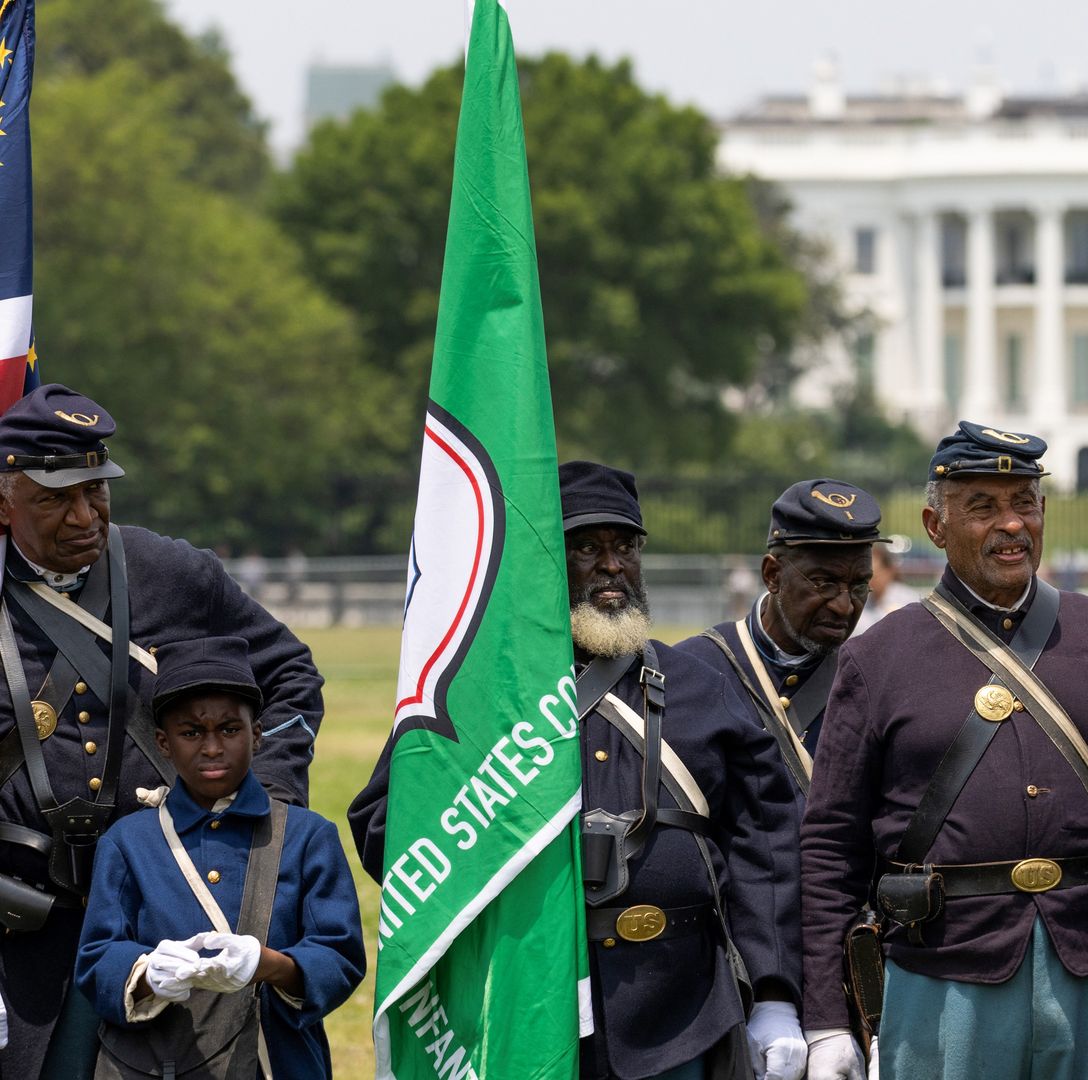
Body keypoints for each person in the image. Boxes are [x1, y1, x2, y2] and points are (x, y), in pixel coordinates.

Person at [351, 461, 805, 1080]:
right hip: (523, 1004)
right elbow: (386, 828)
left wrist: (775, 995)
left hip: (682, 1011)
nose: (612, 565)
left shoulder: (703, 686)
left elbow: (766, 849)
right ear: (541, 561)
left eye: (626, 547)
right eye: (587, 547)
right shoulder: (477, 696)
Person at [800, 421, 1088, 1080]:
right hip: (942, 970)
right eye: (982, 506)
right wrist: (824, 1018)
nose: (1011, 524)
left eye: (1024, 502)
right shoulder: (876, 659)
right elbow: (830, 845)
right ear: (935, 525)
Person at [0, 384, 325, 1078]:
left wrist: (266, 803)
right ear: (5, 503)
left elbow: (291, 678)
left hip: (168, 901)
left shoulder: (171, 571)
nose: (84, 515)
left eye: (95, 490)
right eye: (55, 498)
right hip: (22, 926)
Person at [75, 636, 364, 1079]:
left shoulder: (308, 837)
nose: (212, 748)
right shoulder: (127, 842)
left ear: (258, 734)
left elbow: (340, 957)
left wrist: (269, 965)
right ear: (163, 742)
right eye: (191, 732)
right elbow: (97, 959)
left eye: (229, 729)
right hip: (156, 1063)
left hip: (279, 1061)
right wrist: (148, 973)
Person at [679, 479, 880, 793]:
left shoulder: (874, 679)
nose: (844, 606)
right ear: (773, 575)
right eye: (824, 583)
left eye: (858, 586)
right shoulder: (693, 668)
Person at [850, 543, 920, 637]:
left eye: (874, 576)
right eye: (866, 577)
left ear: (889, 571)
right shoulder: (862, 602)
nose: (869, 582)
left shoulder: (908, 600)